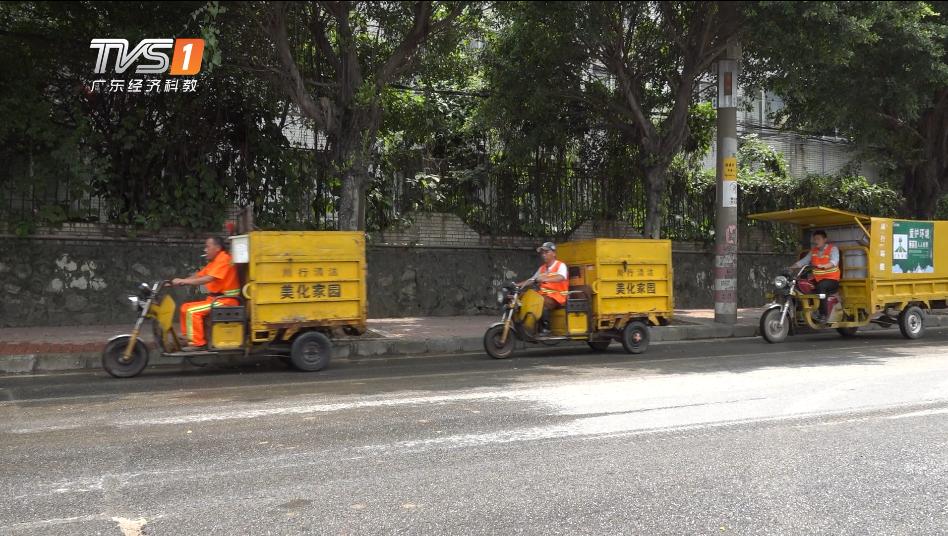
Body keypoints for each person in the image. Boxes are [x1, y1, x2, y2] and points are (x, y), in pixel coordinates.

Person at [171, 236, 241, 350]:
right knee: (184, 307)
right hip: (216, 299)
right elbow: (199, 275)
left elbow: (207, 279)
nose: (205, 250)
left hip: (226, 301)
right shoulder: (215, 261)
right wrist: (180, 282)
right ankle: (188, 337)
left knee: (191, 311)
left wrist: (184, 281)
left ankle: (198, 343)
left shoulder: (224, 259)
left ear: (217, 248)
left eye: (207, 246)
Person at [516, 242, 569, 335]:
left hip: (558, 297)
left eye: (546, 252)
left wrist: (544, 278)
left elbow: (561, 277)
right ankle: (525, 326)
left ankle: (546, 328)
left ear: (554, 253)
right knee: (522, 297)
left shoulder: (560, 265)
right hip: (544, 295)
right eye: (542, 253)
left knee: (540, 301)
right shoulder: (542, 268)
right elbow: (532, 280)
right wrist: (517, 285)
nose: (543, 255)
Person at [790, 229, 840, 322]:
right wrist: (790, 268)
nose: (815, 241)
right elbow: (803, 261)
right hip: (816, 280)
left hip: (832, 280)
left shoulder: (833, 249)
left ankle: (823, 315)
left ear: (825, 239)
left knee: (821, 287)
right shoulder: (813, 251)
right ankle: (800, 311)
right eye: (814, 239)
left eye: (818, 239)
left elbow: (834, 261)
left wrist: (825, 266)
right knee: (797, 285)